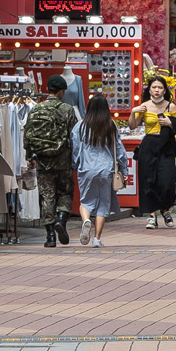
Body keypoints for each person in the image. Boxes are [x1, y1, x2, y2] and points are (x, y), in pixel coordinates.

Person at [22, 74, 77, 247]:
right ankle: (61, 219)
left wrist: (30, 156)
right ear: (61, 92)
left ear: (48, 90)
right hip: (63, 159)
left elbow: (28, 135)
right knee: (65, 192)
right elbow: (74, 136)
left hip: (42, 161)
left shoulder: (36, 109)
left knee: (47, 196)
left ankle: (50, 236)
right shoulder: (67, 110)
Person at [71, 93, 128, 247]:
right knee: (103, 204)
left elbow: (75, 149)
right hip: (106, 169)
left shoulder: (80, 126)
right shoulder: (111, 125)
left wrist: (74, 165)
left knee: (85, 201)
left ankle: (86, 220)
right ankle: (97, 239)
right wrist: (124, 171)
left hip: (86, 168)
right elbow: (119, 151)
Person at [132, 75, 176, 229]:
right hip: (148, 147)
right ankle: (152, 216)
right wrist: (133, 111)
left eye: (160, 87)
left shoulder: (171, 107)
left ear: (165, 90)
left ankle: (165, 209)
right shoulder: (144, 106)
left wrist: (170, 123)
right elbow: (132, 126)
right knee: (148, 182)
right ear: (149, 89)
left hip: (166, 147)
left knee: (167, 182)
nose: (157, 90)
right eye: (154, 87)